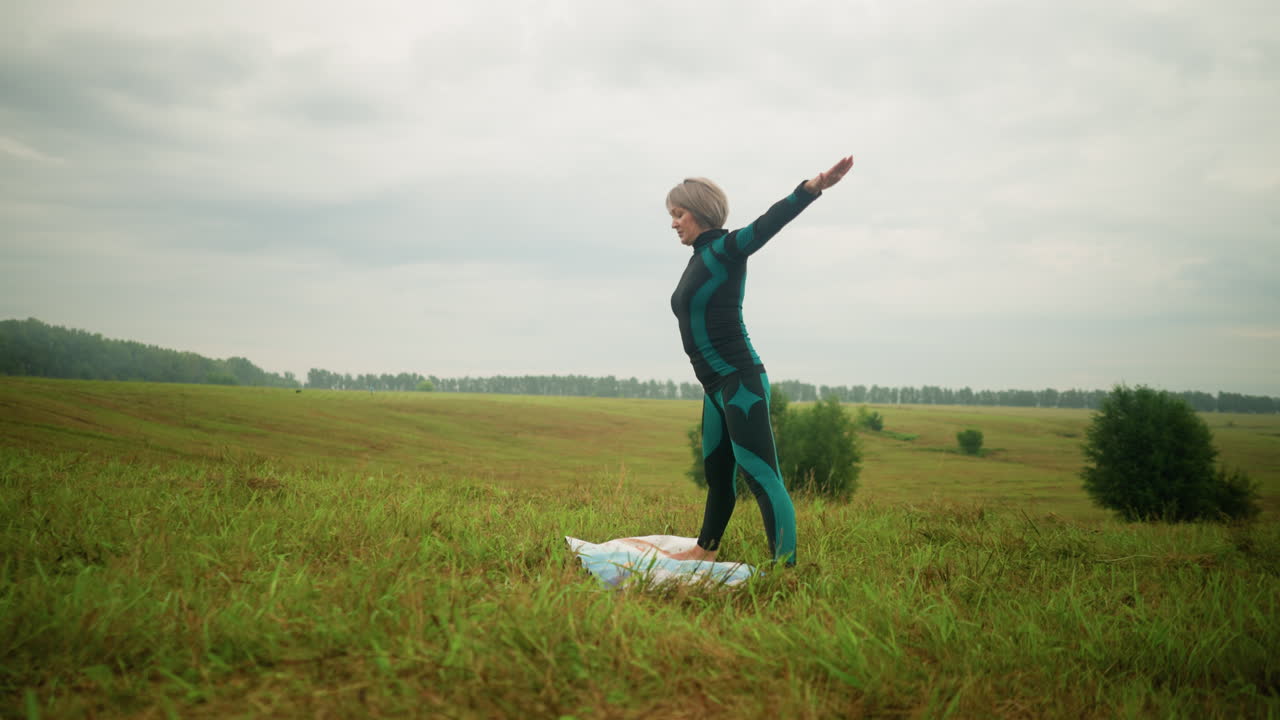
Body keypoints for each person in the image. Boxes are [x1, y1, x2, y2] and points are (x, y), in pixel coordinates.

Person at [664, 156, 854, 566]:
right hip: (715, 389)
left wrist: (810, 189)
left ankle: (785, 571)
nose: (674, 223)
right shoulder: (697, 259)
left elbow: (769, 224)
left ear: (698, 211)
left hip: (740, 382)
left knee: (763, 477)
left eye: (678, 214)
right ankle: (705, 549)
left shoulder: (727, 249)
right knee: (718, 478)